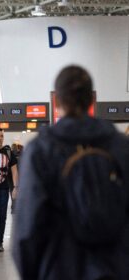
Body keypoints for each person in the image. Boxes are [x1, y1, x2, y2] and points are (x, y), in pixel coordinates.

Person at [13, 65, 129, 279]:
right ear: (91, 101)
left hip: (57, 268)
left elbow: (27, 229)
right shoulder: (122, 147)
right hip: (115, 268)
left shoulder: (40, 151)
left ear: (56, 102)